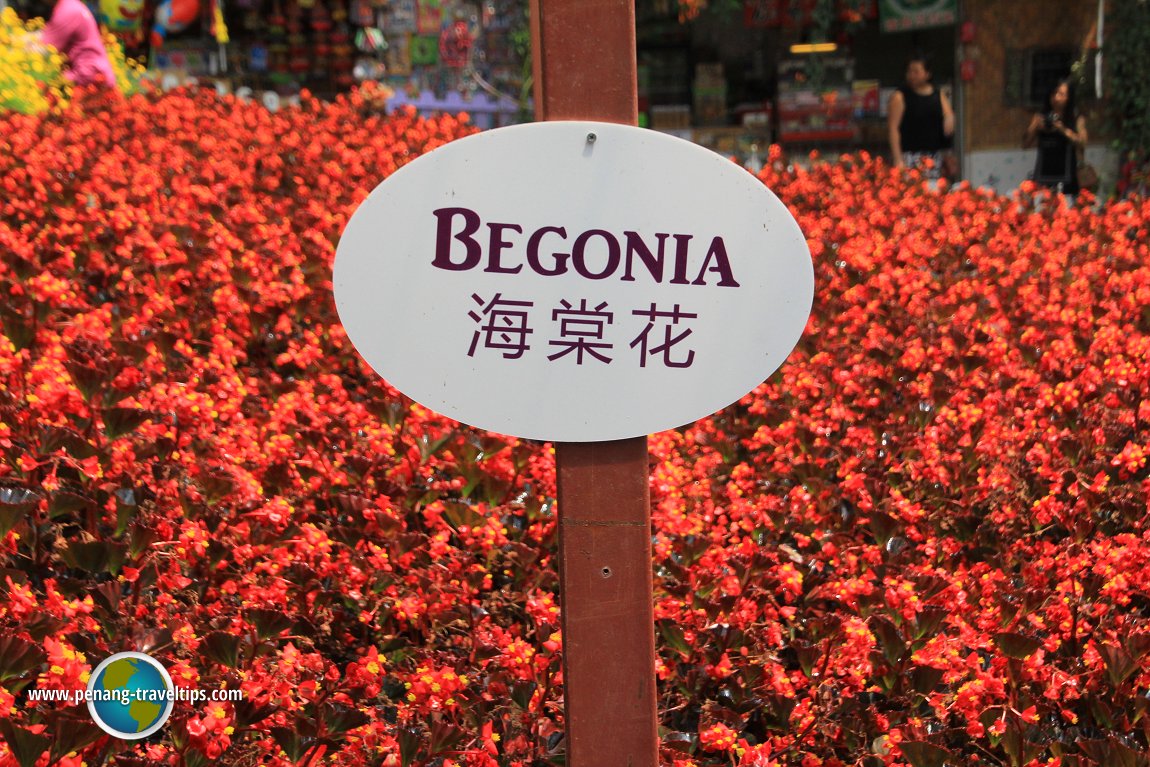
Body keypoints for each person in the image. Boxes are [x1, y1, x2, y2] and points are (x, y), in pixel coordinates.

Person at [888, 53, 955, 178]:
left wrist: (949, 119)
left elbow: (948, 115)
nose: (912, 75)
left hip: (934, 156)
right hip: (909, 157)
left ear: (927, 74)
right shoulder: (900, 96)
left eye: (916, 72)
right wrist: (898, 159)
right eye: (909, 71)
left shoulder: (937, 94)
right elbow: (893, 129)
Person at [27, 0, 118, 89]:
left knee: (42, 87)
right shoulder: (71, 4)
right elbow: (46, 34)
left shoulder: (67, 11)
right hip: (95, 74)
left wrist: (16, 52)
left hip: (90, 79)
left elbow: (45, 48)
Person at [1024, 79, 1087, 196]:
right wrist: (1035, 128)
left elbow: (1082, 142)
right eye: (1054, 93)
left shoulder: (1076, 118)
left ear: (1069, 98)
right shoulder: (1040, 117)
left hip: (1067, 180)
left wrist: (1062, 129)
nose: (1056, 98)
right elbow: (1025, 145)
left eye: (1061, 94)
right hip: (1043, 178)